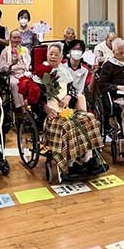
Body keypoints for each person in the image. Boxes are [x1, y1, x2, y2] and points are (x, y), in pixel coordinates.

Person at [40, 43, 103, 180]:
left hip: (66, 109)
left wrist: (68, 97)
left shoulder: (64, 70)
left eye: (56, 54)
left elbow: (73, 90)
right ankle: (71, 162)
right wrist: (46, 108)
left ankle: (88, 158)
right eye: (51, 54)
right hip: (51, 114)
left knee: (88, 118)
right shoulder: (40, 72)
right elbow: (36, 98)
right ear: (46, 55)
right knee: (68, 125)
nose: (53, 56)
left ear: (61, 57)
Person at [0, 29, 32, 115]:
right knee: (15, 83)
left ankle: (32, 107)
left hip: (24, 73)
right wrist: (11, 64)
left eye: (18, 37)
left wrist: (28, 68)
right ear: (10, 39)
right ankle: (22, 109)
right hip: (12, 74)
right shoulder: (5, 51)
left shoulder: (24, 50)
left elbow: (28, 63)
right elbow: (2, 69)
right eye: (14, 38)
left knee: (33, 83)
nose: (17, 40)